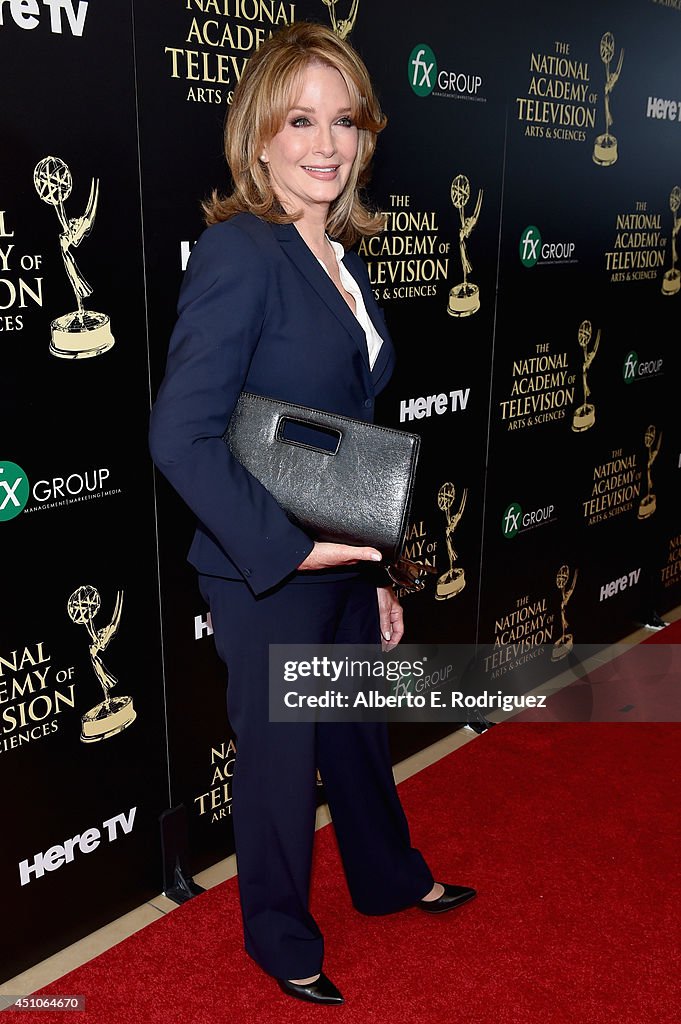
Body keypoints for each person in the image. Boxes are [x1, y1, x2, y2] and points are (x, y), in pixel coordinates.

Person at [149, 21, 476, 1006]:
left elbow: (346, 430)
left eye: (344, 120)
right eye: (301, 120)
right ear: (260, 136)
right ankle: (280, 933)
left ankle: (386, 876)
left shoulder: (340, 254)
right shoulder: (240, 253)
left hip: (344, 555)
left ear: (365, 137)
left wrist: (374, 569)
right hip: (269, 567)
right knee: (284, 761)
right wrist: (293, 551)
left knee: (356, 733)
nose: (326, 142)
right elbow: (180, 436)